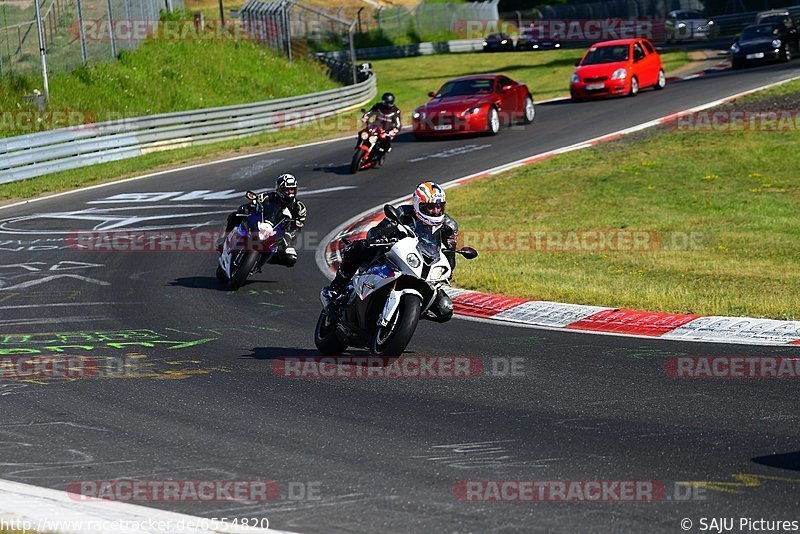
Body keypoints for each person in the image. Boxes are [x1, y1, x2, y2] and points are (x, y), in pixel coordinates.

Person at [324, 181, 458, 320]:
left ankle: (409, 313)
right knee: (359, 247)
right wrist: (379, 237)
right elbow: (376, 231)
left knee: (445, 309)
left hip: (422, 264)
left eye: (439, 207)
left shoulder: (449, 226)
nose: (435, 211)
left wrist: (447, 273)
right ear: (418, 204)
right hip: (394, 254)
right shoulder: (402, 213)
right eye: (430, 207)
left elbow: (450, 254)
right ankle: (337, 287)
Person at [220, 174, 307, 267]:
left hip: (279, 233)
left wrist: (288, 239)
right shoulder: (268, 196)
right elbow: (254, 203)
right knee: (237, 213)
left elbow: (298, 227)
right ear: (279, 189)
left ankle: (261, 261)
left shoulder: (299, 208)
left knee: (290, 259)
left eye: (292, 189)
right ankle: (224, 239)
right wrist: (250, 207)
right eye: (287, 189)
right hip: (261, 224)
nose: (290, 192)